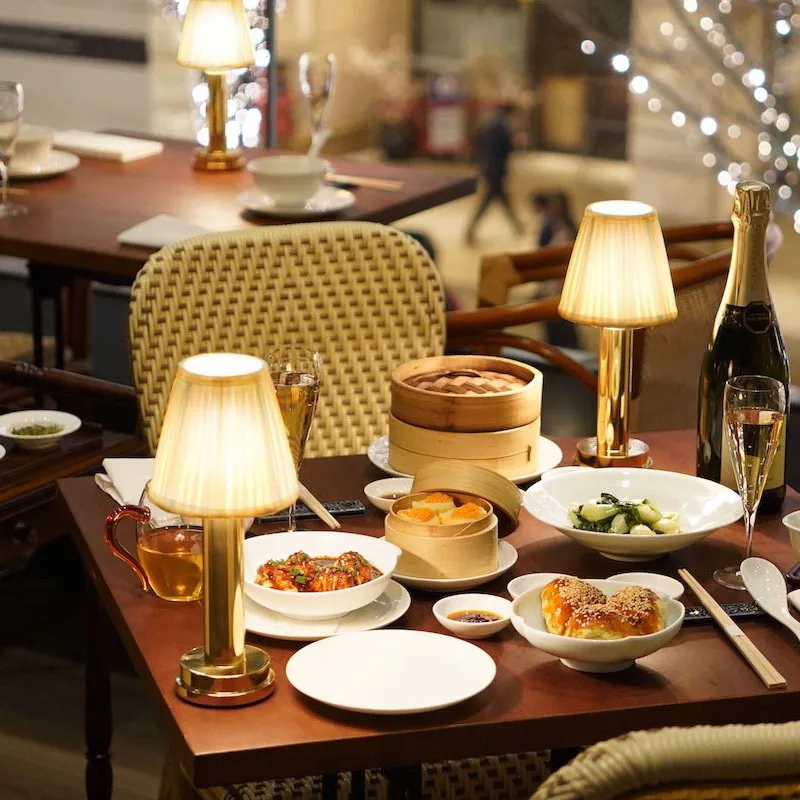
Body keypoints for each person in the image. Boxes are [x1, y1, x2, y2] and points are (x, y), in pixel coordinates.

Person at [465, 103, 524, 244]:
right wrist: (516, 143)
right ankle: (470, 231)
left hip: (488, 167)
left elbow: (479, 144)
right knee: (490, 200)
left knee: (499, 198)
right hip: (497, 169)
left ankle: (517, 225)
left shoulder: (489, 124)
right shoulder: (502, 126)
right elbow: (506, 148)